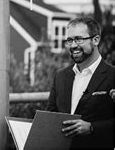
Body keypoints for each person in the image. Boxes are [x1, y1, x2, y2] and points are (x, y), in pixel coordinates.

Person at [47, 16, 114, 150]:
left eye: (79, 39)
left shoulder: (112, 76)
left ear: (96, 40)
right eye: (70, 40)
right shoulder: (60, 76)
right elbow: (50, 116)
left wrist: (91, 128)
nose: (73, 45)